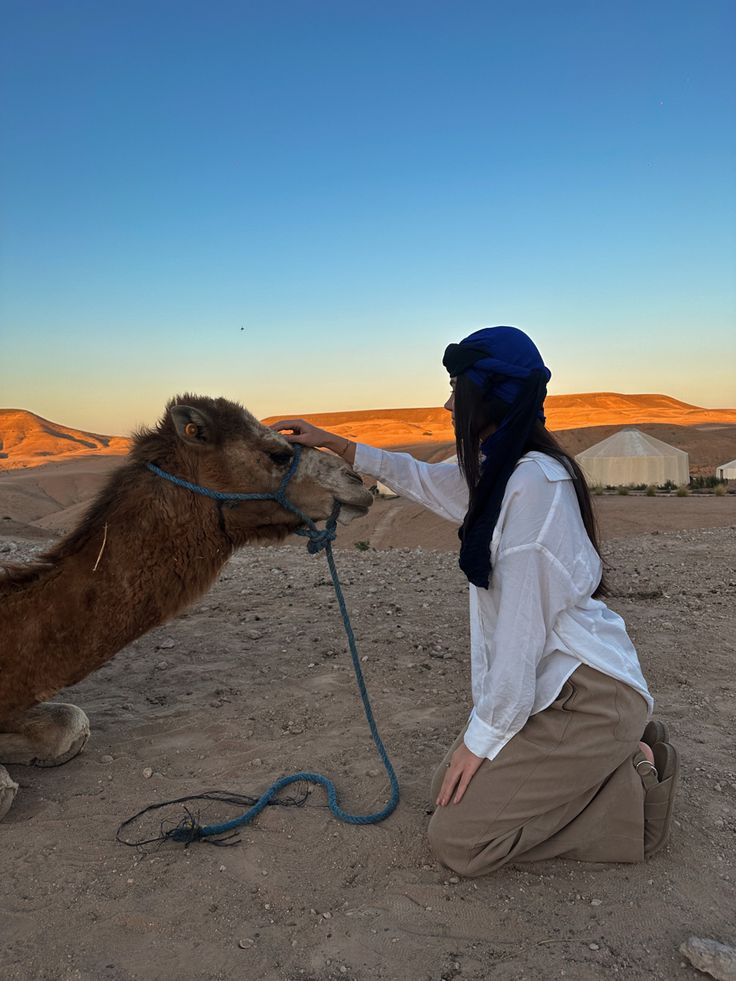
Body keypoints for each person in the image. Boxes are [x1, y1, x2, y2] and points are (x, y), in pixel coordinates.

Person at [271, 325, 679, 876]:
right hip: (550, 687)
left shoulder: (535, 489)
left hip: (587, 697)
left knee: (459, 842)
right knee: (448, 789)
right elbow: (424, 478)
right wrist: (338, 444)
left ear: (486, 397)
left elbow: (518, 635)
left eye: (455, 391)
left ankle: (632, 783)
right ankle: (598, 760)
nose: (446, 404)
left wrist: (482, 738)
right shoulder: (504, 474)